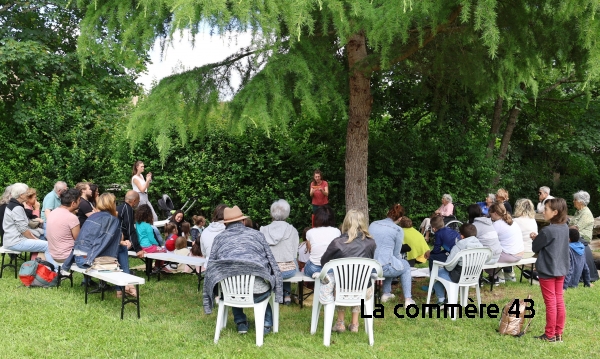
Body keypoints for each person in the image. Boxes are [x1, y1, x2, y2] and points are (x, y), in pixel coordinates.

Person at [202, 205, 283, 336]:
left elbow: (211, 268)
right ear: (244, 221)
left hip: (230, 292)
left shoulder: (218, 239)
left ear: (225, 224)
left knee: (234, 280)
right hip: (258, 292)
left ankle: (241, 323)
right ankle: (266, 324)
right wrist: (277, 287)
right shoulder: (258, 235)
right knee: (264, 285)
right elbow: (272, 262)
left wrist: (209, 297)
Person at [63, 193, 136, 296]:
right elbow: (114, 242)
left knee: (120, 247)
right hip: (87, 259)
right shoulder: (112, 219)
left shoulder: (92, 217)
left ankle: (125, 287)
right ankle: (124, 287)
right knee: (122, 249)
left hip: (79, 257)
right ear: (112, 204)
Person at [320, 209, 377, 333]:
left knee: (340, 281)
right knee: (359, 280)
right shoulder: (371, 243)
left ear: (346, 223)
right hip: (363, 290)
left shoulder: (337, 242)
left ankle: (340, 323)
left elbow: (323, 262)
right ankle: (354, 324)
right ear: (363, 223)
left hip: (341, 290)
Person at [531, 198, 569, 342]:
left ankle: (549, 334)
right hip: (561, 268)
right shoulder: (565, 227)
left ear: (555, 212)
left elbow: (536, 247)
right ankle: (558, 333)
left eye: (546, 209)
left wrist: (535, 238)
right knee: (558, 299)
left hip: (547, 270)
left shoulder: (548, 230)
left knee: (551, 302)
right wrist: (539, 238)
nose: (543, 211)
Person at [369, 205, 415, 306]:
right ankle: (408, 299)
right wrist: (400, 264)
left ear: (388, 213)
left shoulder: (373, 224)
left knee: (390, 260)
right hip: (383, 268)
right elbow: (396, 254)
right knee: (404, 265)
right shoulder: (398, 230)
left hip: (368, 266)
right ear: (400, 218)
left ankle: (386, 293)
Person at [431, 224, 484, 307]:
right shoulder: (481, 246)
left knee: (437, 276)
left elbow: (449, 266)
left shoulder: (458, 246)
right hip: (474, 276)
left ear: (462, 236)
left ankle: (441, 300)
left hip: (458, 276)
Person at [260, 199, 299, 305]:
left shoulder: (263, 230)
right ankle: (287, 296)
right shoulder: (293, 230)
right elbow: (294, 254)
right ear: (287, 214)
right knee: (289, 261)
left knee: (276, 264)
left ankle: (274, 294)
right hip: (288, 271)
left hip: (269, 271)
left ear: (272, 213)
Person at [2, 183, 48, 257]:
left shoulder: (12, 205)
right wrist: (36, 240)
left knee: (44, 242)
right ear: (21, 195)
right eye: (26, 193)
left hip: (11, 240)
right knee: (48, 246)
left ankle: (38, 265)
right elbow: (23, 230)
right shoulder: (17, 208)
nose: (28, 194)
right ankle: (51, 268)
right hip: (15, 242)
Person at [488, 203, 524, 283]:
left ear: (495, 213)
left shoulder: (497, 224)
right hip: (520, 254)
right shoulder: (513, 222)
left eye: (491, 214)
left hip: (510, 256)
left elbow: (489, 241)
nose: (490, 217)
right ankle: (507, 276)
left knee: (485, 257)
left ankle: (496, 277)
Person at [568, 190, 599, 282]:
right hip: (575, 235)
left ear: (580, 202)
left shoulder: (586, 213)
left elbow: (575, 228)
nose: (573, 201)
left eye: (575, 199)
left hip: (582, 238)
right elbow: (571, 224)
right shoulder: (579, 211)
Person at [45, 188, 81, 267]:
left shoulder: (53, 212)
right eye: (79, 200)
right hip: (67, 256)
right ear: (73, 203)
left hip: (54, 254)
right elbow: (79, 240)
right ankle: (88, 279)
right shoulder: (71, 217)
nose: (80, 202)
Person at [304, 205, 340, 278]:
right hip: (331, 268)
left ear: (316, 219)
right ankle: (326, 275)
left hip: (313, 268)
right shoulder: (337, 232)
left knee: (307, 266)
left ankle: (318, 275)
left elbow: (310, 251)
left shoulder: (310, 232)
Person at [116, 190, 144, 258]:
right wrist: (138, 249)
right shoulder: (128, 209)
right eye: (138, 200)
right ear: (134, 201)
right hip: (122, 242)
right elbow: (130, 229)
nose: (139, 202)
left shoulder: (118, 207)